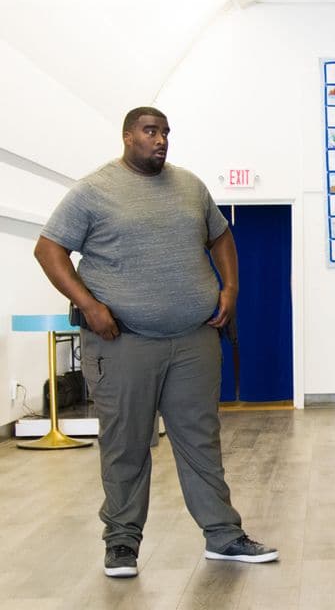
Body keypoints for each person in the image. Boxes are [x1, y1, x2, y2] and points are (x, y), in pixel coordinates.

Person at [33, 107, 277, 579]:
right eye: (150, 131)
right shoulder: (93, 190)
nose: (161, 139)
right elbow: (48, 249)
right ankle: (122, 542)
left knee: (201, 440)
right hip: (123, 343)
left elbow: (221, 236)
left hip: (193, 340)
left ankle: (223, 536)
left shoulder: (190, 186)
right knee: (125, 444)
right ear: (128, 136)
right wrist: (89, 304)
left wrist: (230, 289)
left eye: (165, 132)